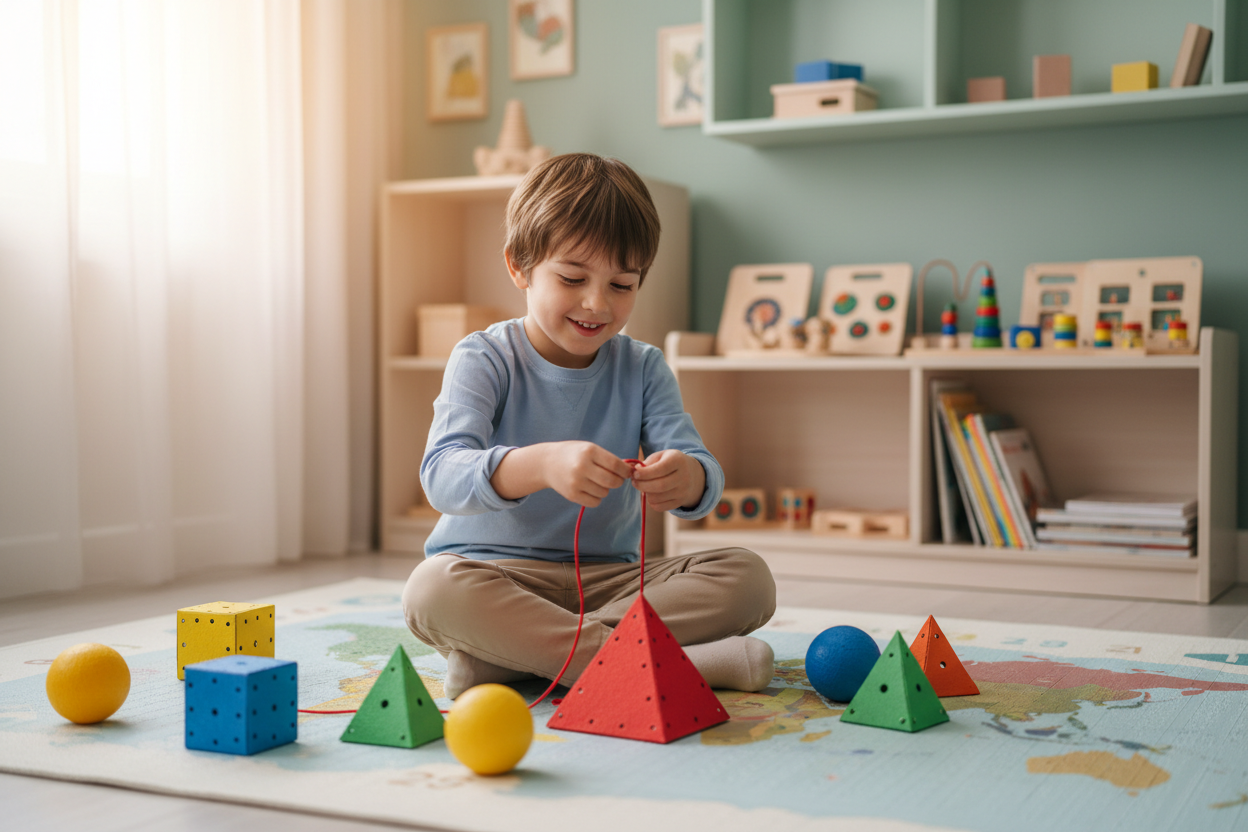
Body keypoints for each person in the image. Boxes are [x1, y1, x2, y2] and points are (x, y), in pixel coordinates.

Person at [402, 153, 776, 700]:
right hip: (495, 579)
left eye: (622, 286)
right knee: (430, 589)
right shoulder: (483, 356)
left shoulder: (644, 367)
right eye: (573, 278)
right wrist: (539, 464)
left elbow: (701, 471)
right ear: (519, 267)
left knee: (748, 577)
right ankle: (669, 663)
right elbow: (442, 476)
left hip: (611, 582)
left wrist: (687, 478)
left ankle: (519, 662)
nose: (596, 303)